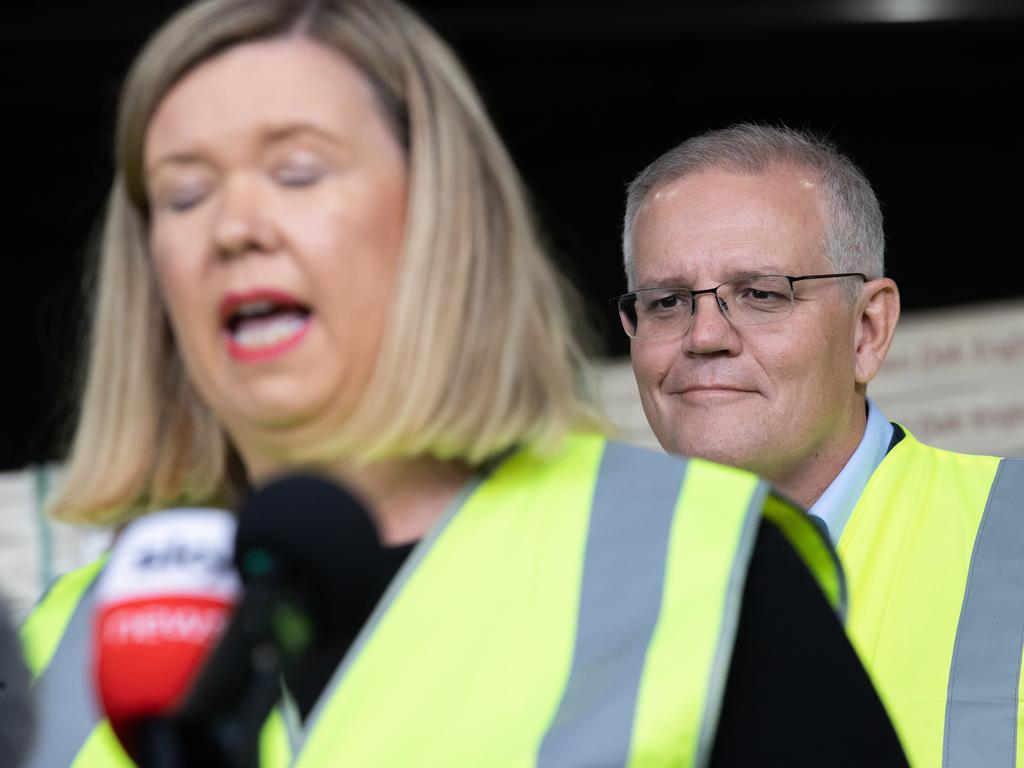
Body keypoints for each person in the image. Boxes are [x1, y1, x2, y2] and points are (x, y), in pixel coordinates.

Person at [20, 4, 904, 766]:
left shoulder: (691, 569)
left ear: (440, 218)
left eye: (296, 172)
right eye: (184, 195)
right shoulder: (57, 651)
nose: (233, 228)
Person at [620, 122, 1024, 767]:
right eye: (667, 302)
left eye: (759, 295)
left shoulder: (1013, 536)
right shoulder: (574, 581)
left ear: (867, 329)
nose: (703, 336)